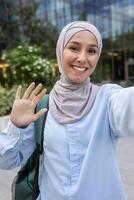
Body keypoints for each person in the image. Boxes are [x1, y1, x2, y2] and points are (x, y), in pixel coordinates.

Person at [0, 21, 133, 200]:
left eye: (92, 51)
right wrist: (16, 125)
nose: (82, 58)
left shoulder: (107, 100)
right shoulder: (41, 108)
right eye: (74, 48)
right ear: (60, 50)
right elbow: (6, 160)